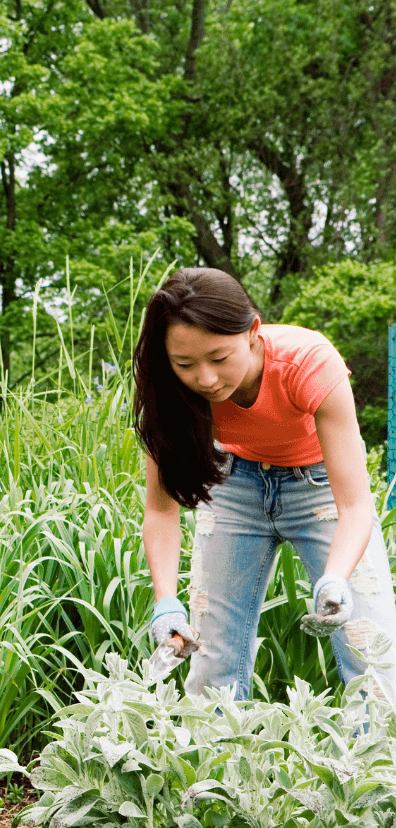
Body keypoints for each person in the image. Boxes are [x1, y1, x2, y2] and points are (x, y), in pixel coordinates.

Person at [135, 267, 396, 699]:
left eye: (219, 358)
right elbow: (161, 510)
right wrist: (166, 601)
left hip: (319, 487)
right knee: (211, 659)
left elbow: (354, 506)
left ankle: (372, 768)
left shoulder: (308, 363)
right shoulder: (169, 393)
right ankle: (214, 764)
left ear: (253, 332)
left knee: (371, 651)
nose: (205, 379)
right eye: (185, 364)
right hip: (233, 485)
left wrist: (334, 578)